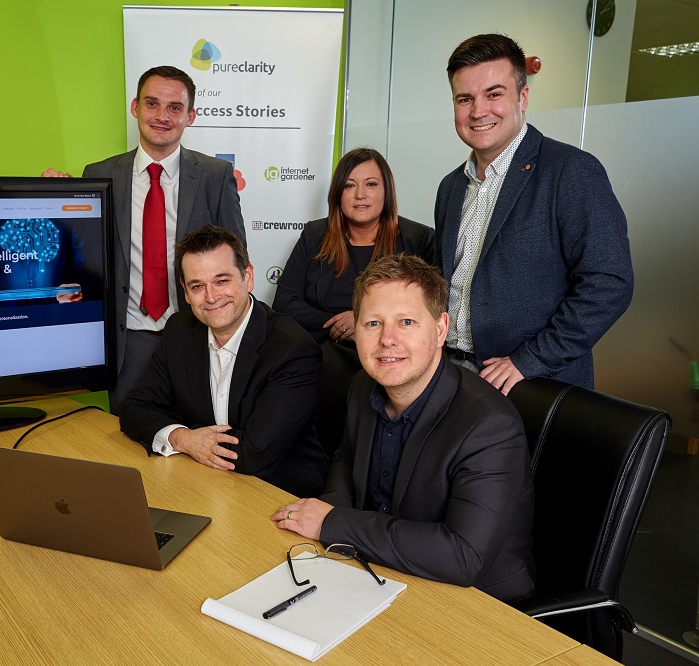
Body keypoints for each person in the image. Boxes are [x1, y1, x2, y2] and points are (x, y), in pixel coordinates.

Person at [271, 254, 535, 602]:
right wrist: (327, 529)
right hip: (381, 572)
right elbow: (346, 460)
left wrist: (333, 522)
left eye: (406, 322)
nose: (387, 340)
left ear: (441, 329)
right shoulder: (364, 386)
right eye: (373, 324)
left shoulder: (489, 427)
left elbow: (462, 556)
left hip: (476, 605)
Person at [435, 33, 633, 395]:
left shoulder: (571, 171)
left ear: (522, 98)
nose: (478, 111)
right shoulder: (450, 187)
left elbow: (608, 284)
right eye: (465, 98)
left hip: (531, 382)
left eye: (494, 94)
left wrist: (530, 360)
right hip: (450, 372)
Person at [43, 65, 245, 413]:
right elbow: (80, 257)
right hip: (129, 340)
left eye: (174, 108)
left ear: (190, 116)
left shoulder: (215, 175)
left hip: (197, 337)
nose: (162, 116)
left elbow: (236, 258)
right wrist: (54, 203)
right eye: (152, 104)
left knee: (196, 439)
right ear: (135, 107)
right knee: (128, 439)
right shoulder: (100, 175)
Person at [120, 225, 329, 497]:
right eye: (198, 286)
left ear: (248, 276)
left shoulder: (292, 349)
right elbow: (134, 407)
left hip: (278, 493)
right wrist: (184, 439)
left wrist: (192, 440)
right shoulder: (179, 331)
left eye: (222, 280)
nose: (211, 297)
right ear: (185, 291)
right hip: (206, 482)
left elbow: (255, 455)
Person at [272, 148, 435, 454]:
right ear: (337, 193)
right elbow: (285, 300)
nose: (360, 194)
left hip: (387, 363)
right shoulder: (315, 235)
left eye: (371, 184)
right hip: (320, 360)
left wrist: (360, 320)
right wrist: (339, 324)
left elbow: (427, 312)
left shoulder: (418, 239)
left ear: (387, 190)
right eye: (349, 185)